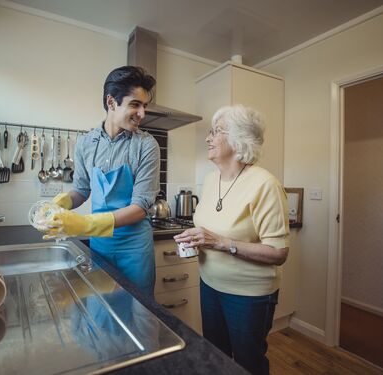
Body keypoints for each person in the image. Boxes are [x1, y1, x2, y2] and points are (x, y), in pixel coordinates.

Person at [174, 104, 289, 375]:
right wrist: (197, 238)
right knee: (216, 356)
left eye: (216, 132)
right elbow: (213, 226)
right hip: (210, 284)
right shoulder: (211, 179)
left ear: (239, 139)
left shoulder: (265, 184)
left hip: (248, 295)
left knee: (248, 363)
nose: (208, 138)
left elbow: (279, 252)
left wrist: (222, 243)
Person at [44, 66, 160, 296]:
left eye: (144, 106)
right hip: (101, 247)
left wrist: (85, 224)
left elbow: (139, 208)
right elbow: (82, 189)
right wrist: (62, 202)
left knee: (139, 314)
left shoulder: (147, 146)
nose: (142, 114)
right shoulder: (85, 143)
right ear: (111, 102)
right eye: (135, 104)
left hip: (135, 249)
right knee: (103, 311)